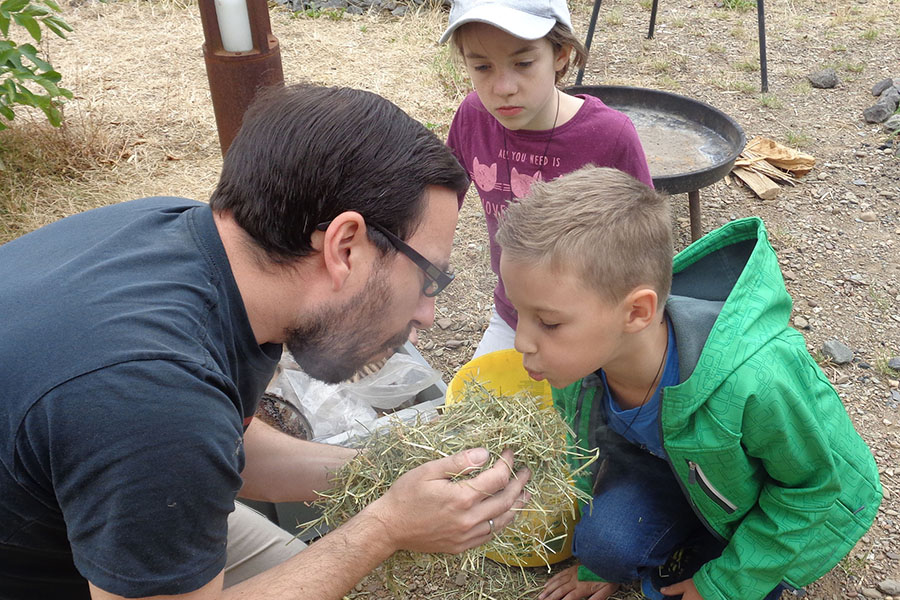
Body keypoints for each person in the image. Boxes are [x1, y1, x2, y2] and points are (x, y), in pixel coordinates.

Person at [0, 83, 532, 600]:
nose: (428, 314)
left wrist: (381, 476)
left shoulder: (187, 238)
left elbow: (220, 446)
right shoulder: (155, 401)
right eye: (425, 277)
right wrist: (384, 528)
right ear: (346, 247)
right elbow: (172, 437)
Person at [494, 166, 882, 600]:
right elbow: (584, 446)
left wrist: (723, 584)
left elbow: (809, 488)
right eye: (519, 314)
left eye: (547, 322)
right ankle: (683, 545)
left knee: (711, 589)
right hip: (678, 469)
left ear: (638, 312)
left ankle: (714, 558)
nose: (521, 342)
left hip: (785, 501)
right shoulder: (575, 362)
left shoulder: (754, 380)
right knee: (602, 549)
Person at [440, 0, 653, 359]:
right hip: (514, 317)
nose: (504, 87)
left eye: (523, 63)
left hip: (595, 326)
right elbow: (440, 205)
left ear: (561, 55)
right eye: (482, 66)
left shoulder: (610, 136)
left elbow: (646, 248)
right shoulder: (471, 117)